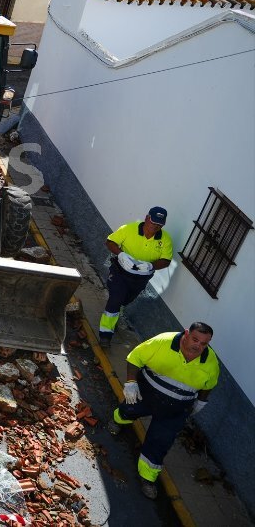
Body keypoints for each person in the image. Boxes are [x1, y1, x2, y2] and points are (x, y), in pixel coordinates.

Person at [108, 323, 219, 499]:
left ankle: (147, 477)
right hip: (147, 394)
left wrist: (200, 403)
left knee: (160, 442)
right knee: (128, 410)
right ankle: (117, 420)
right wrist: (130, 383)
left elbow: (209, 385)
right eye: (195, 339)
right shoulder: (163, 341)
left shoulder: (210, 362)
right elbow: (135, 357)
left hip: (176, 409)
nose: (198, 346)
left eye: (204, 343)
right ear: (187, 333)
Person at [98, 207, 173, 347]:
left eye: (159, 225)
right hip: (120, 272)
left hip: (140, 278)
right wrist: (120, 254)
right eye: (153, 222)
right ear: (146, 218)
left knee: (125, 301)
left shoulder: (165, 240)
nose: (155, 227)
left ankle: (114, 311)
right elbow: (110, 242)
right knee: (116, 299)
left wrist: (151, 266)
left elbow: (166, 261)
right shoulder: (129, 229)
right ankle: (105, 335)